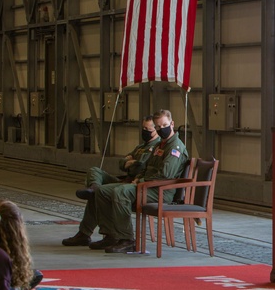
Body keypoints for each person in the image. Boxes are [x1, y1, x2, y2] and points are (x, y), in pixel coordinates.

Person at [67, 109, 189, 254]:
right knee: (101, 191)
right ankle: (110, 235)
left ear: (172, 124)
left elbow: (164, 174)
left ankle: (127, 239)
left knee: (121, 192)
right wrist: (139, 178)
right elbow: (146, 167)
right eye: (158, 127)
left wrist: (140, 181)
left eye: (164, 125)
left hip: (160, 191)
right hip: (146, 185)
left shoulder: (175, 148)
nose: (161, 129)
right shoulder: (159, 146)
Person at [62, 116, 160, 247]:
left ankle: (86, 233)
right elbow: (121, 163)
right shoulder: (141, 147)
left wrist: (130, 162)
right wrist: (128, 162)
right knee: (95, 171)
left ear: (156, 129)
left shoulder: (156, 147)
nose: (144, 131)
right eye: (143, 128)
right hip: (127, 180)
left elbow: (140, 166)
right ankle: (94, 187)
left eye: (148, 129)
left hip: (135, 184)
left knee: (99, 194)